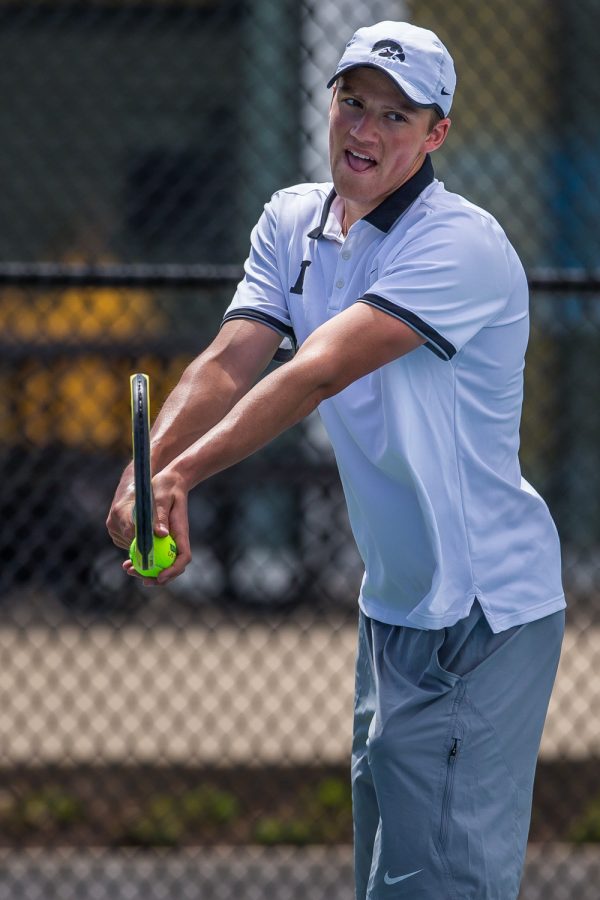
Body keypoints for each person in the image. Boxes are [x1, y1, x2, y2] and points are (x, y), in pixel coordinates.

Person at [107, 20, 565, 900]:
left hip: (481, 616)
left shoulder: (459, 246)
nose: (365, 129)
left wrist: (182, 476)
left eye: (398, 115)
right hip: (393, 609)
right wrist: (147, 466)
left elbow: (315, 371)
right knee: (386, 885)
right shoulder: (292, 221)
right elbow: (232, 358)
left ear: (437, 135)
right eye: (354, 102)